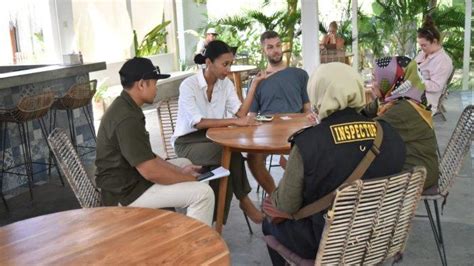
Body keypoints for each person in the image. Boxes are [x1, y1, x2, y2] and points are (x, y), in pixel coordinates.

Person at [261, 62, 406, 264]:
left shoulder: (308, 143)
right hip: (378, 234)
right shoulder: (388, 133)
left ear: (317, 93)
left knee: (269, 219)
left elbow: (286, 204)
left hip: (326, 242)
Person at [95, 57, 215, 226]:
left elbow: (147, 157)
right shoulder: (127, 118)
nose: (156, 89)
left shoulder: (126, 106)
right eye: (154, 83)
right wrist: (189, 179)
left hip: (132, 180)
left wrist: (182, 172)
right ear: (141, 84)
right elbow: (150, 171)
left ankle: (181, 229)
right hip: (125, 195)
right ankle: (192, 248)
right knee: (204, 193)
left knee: (184, 163)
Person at [172, 40, 269, 224]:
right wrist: (234, 121)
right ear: (208, 63)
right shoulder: (188, 85)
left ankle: (216, 220)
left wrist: (254, 85)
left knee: (228, 158)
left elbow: (240, 112)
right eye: (225, 64)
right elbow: (198, 123)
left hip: (213, 138)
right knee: (230, 155)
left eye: (230, 64)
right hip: (187, 143)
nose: (228, 69)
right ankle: (243, 202)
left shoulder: (225, 84)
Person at [246, 30, 311, 195]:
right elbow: (251, 117)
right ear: (264, 51)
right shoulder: (258, 81)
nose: (275, 50)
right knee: (253, 158)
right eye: (270, 47)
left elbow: (307, 109)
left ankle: (297, 197)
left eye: (278, 46)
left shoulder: (299, 75)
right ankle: (275, 196)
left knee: (304, 158)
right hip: (268, 133)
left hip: (296, 131)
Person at [362, 56, 439, 189]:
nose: (371, 84)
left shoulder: (404, 108)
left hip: (417, 172)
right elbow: (363, 113)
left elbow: (366, 132)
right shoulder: (389, 100)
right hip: (406, 161)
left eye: (375, 79)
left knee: (354, 178)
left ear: (389, 80)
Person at [415, 16, 453, 114]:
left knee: (391, 110)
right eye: (420, 45)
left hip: (425, 102)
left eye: (424, 45)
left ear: (435, 41)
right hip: (412, 93)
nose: (422, 48)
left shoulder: (443, 61)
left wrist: (415, 81)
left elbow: (436, 86)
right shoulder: (423, 53)